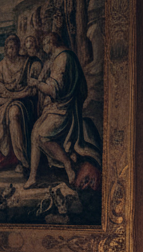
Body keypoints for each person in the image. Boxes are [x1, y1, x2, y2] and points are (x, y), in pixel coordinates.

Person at [25, 32, 102, 189]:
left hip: (63, 109)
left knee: (42, 136)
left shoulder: (62, 59)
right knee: (34, 133)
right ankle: (33, 177)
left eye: (45, 44)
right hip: (59, 107)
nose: (43, 48)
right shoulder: (63, 57)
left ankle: (67, 164)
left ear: (50, 42)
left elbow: (54, 90)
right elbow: (81, 89)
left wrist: (36, 84)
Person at [0, 34, 35, 175]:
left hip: (23, 100)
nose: (11, 50)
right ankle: (6, 158)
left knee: (14, 114)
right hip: (7, 99)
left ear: (18, 47)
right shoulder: (2, 65)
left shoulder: (25, 62)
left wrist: (17, 94)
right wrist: (7, 93)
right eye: (8, 48)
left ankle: (22, 159)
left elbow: (31, 87)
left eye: (13, 47)